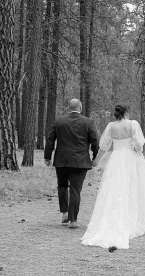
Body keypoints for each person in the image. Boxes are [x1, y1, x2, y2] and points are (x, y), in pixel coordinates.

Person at [80, 104, 145, 249]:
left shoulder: (111, 126)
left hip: (116, 159)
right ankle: (131, 222)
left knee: (113, 189)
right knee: (131, 188)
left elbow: (104, 147)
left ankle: (112, 219)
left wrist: (96, 161)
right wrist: (138, 153)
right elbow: (138, 145)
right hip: (130, 159)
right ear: (127, 112)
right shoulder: (133, 124)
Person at [44, 98, 99, 229]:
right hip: (80, 161)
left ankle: (64, 212)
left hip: (62, 160)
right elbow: (95, 141)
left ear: (69, 108)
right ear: (80, 107)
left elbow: (50, 139)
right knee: (75, 189)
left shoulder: (59, 121)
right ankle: (73, 220)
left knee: (62, 185)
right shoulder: (88, 122)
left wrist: (47, 156)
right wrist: (95, 157)